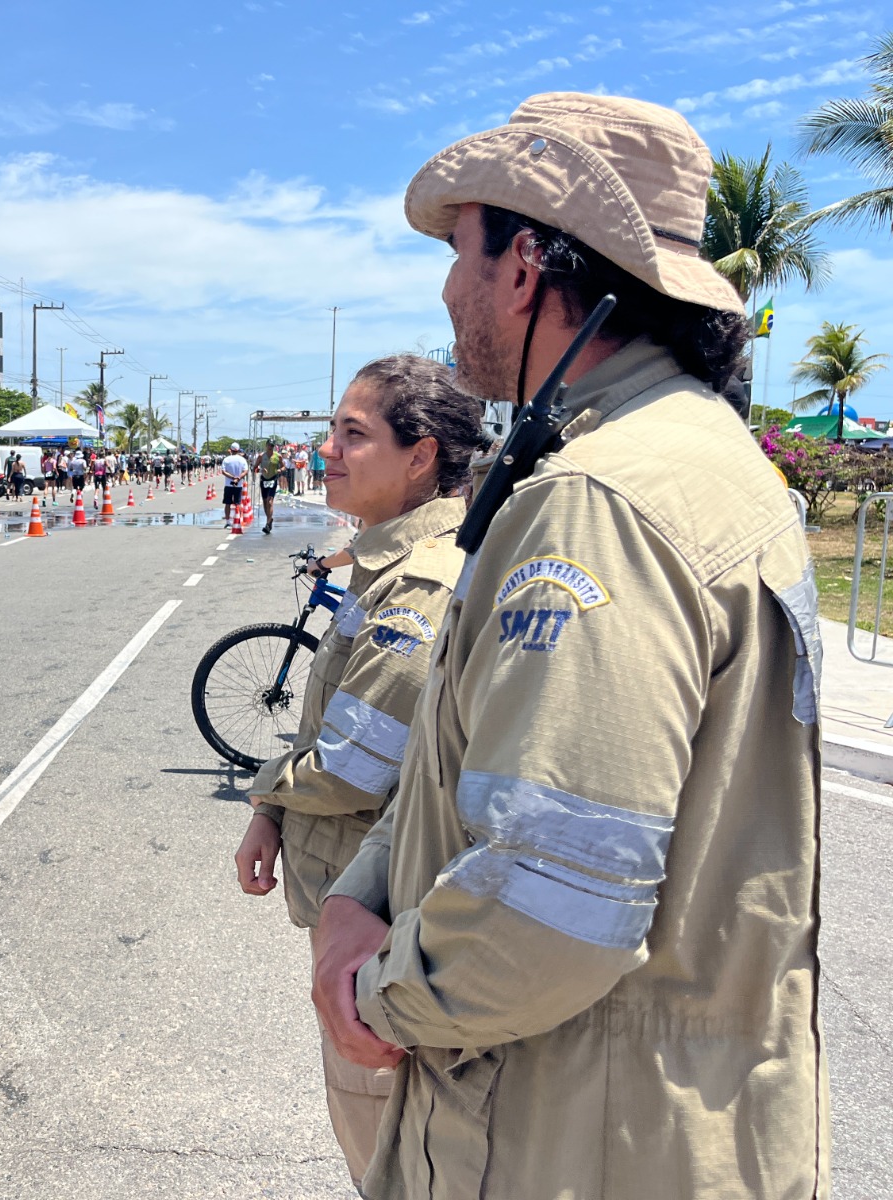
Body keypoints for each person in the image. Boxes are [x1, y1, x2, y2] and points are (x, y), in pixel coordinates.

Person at [310, 93, 827, 1199]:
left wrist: (374, 991)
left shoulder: (599, 499)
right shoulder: (709, 457)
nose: (448, 289)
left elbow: (544, 901)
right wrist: (363, 884)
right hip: (687, 1114)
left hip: (570, 1133)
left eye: (460, 249)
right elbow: (481, 765)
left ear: (526, 261)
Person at [237, 356, 482, 1187]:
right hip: (352, 903)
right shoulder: (376, 565)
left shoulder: (420, 586)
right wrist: (273, 814)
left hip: (380, 925)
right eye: (330, 430)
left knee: (387, 1155)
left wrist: (261, 788)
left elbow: (348, 769)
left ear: (420, 456)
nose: (327, 450)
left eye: (353, 434)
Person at [257, 441, 284, 534]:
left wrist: (280, 469)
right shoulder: (261, 456)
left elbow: (284, 466)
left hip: (273, 479)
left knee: (270, 501)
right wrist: (261, 469)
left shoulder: (278, 456)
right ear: (266, 445)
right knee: (265, 502)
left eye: (272, 446)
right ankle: (269, 519)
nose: (270, 447)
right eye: (269, 445)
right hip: (264, 480)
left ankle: (268, 523)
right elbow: (254, 468)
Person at [220, 442, 249, 523]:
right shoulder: (242, 459)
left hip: (228, 484)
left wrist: (232, 478)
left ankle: (228, 521)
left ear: (231, 450)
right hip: (238, 484)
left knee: (227, 503)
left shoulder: (226, 459)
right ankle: (238, 520)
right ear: (238, 450)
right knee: (238, 503)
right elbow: (245, 470)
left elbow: (223, 471)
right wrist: (238, 478)